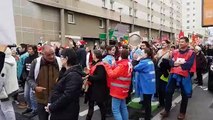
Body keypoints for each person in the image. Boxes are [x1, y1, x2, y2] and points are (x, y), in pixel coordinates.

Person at [160, 37, 196, 120]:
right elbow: (171, 62)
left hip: (184, 75)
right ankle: (167, 110)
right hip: (173, 74)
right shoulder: (175, 52)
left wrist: (177, 64)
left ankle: (182, 113)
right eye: (180, 42)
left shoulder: (191, 53)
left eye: (182, 42)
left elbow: (189, 65)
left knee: (184, 94)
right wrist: (175, 63)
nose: (180, 43)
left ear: (187, 43)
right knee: (168, 92)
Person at [45, 48, 83, 120]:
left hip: (66, 112)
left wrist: (52, 107)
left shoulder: (74, 75)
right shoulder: (64, 71)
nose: (60, 59)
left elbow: (67, 96)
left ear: (66, 59)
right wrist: (50, 102)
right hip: (60, 109)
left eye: (61, 57)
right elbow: (56, 88)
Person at [27, 45, 62, 120]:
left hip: (56, 99)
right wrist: (35, 87)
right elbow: (29, 78)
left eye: (53, 53)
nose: (52, 56)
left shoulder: (60, 61)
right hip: (41, 99)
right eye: (49, 55)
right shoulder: (36, 62)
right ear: (42, 54)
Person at [104, 49, 132, 120]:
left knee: (115, 110)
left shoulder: (122, 65)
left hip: (117, 90)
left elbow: (112, 74)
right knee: (123, 107)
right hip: (124, 89)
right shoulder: (128, 63)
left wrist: (107, 65)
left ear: (121, 55)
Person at [85, 50, 109, 120]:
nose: (92, 55)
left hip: (98, 89)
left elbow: (100, 77)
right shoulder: (95, 63)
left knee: (100, 104)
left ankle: (103, 118)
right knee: (91, 105)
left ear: (95, 55)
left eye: (93, 54)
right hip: (92, 87)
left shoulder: (100, 65)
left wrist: (89, 77)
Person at [134, 48, 156, 120]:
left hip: (146, 85)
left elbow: (135, 68)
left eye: (142, 53)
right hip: (150, 85)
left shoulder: (144, 62)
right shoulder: (150, 61)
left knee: (147, 104)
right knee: (148, 103)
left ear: (146, 54)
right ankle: (147, 116)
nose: (140, 54)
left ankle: (147, 117)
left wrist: (136, 60)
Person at [0, 47, 19, 120]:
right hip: (11, 87)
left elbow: (1, 79)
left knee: (6, 109)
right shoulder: (10, 58)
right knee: (5, 108)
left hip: (3, 90)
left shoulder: (3, 61)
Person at [22, 45, 39, 117]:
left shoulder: (37, 59)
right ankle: (29, 107)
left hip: (34, 80)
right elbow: (24, 69)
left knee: (32, 96)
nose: (28, 50)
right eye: (28, 49)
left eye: (30, 49)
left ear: (34, 50)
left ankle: (35, 109)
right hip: (27, 79)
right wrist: (25, 77)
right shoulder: (26, 59)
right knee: (26, 95)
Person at [155, 40, 171, 107]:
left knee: (164, 87)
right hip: (158, 70)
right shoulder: (159, 51)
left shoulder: (170, 52)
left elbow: (171, 63)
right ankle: (161, 102)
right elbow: (156, 59)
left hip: (165, 71)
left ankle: (166, 102)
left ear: (167, 44)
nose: (162, 44)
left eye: (164, 43)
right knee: (158, 87)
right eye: (162, 43)